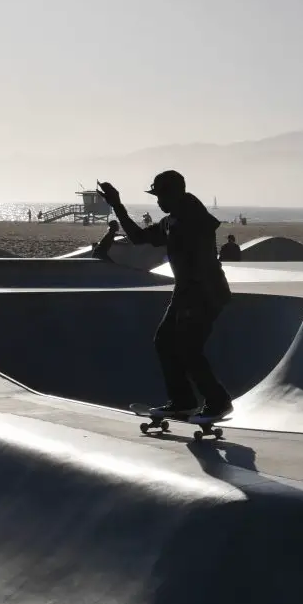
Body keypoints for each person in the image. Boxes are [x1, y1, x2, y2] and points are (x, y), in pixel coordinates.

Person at [97, 171, 233, 421]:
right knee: (164, 341)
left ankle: (218, 401)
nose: (158, 202)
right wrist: (117, 204)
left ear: (175, 194)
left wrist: (192, 300)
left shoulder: (195, 217)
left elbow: (201, 254)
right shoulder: (170, 222)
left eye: (162, 196)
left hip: (205, 292)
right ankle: (183, 401)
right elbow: (138, 238)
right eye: (156, 196)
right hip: (185, 293)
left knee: (188, 347)